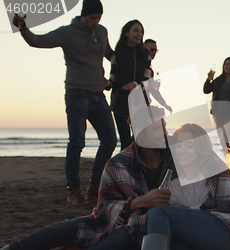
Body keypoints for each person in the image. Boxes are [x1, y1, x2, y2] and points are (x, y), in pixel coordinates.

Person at [0, 106, 172, 250]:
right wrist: (140, 202)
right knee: (64, 228)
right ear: (140, 134)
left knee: (125, 235)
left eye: (164, 126)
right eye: (157, 128)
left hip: (144, 227)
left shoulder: (177, 158)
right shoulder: (119, 163)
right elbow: (104, 208)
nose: (164, 132)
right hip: (114, 221)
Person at [12, 0, 116, 206]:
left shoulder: (102, 31)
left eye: (99, 18)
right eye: (93, 18)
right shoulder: (67, 32)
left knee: (110, 140)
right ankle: (73, 192)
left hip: (98, 94)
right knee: (77, 142)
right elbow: (38, 41)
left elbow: (111, 54)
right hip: (77, 93)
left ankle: (95, 188)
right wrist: (23, 28)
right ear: (83, 16)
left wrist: (112, 78)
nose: (96, 22)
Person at [142, 123, 230, 250]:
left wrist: (187, 211)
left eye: (189, 145)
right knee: (166, 241)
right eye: (178, 145)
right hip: (198, 240)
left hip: (227, 234)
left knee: (159, 213)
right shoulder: (173, 184)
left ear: (200, 147)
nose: (182, 150)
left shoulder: (213, 168)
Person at [109, 20, 151, 150]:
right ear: (126, 33)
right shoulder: (118, 53)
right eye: (136, 31)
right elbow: (113, 77)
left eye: (141, 32)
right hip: (120, 102)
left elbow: (147, 79)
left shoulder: (145, 54)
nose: (139, 34)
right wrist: (107, 84)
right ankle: (126, 169)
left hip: (139, 102)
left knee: (139, 139)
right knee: (125, 141)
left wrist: (136, 84)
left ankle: (138, 168)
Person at [203, 57, 230, 154]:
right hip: (218, 115)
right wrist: (209, 78)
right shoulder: (219, 80)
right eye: (226, 64)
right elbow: (206, 90)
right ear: (223, 66)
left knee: (224, 140)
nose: (228, 67)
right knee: (223, 143)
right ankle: (229, 164)